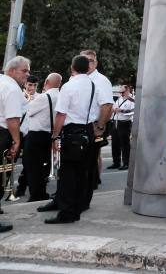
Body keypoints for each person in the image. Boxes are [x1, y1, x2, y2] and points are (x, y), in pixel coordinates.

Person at [46, 55, 112, 224]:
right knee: (82, 173)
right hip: (88, 130)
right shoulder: (93, 85)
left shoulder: (68, 86)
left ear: (72, 67)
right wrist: (98, 128)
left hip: (72, 132)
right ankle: (77, 210)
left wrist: (55, 136)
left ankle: (66, 213)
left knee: (68, 174)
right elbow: (103, 105)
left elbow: (61, 114)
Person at [0, 55, 30, 232]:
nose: (27, 74)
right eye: (24, 71)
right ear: (11, 70)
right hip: (4, 135)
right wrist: (17, 140)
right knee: (2, 174)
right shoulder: (11, 88)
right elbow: (12, 118)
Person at [23, 73, 61, 202]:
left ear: (46, 82)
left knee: (32, 167)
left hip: (36, 135)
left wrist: (28, 98)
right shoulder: (60, 96)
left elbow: (28, 110)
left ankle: (36, 194)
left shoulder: (44, 97)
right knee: (43, 166)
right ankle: (42, 192)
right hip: (49, 135)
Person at [81, 50, 113, 196]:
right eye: (84, 60)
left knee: (92, 158)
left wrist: (100, 126)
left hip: (94, 125)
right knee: (84, 159)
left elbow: (107, 105)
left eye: (91, 61)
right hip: (80, 125)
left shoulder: (101, 80)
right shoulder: (78, 78)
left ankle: (89, 188)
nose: (88, 64)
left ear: (96, 63)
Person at [109, 85, 135, 170]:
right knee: (115, 143)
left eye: (122, 92)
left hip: (124, 122)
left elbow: (133, 111)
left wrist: (122, 110)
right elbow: (114, 107)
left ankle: (126, 163)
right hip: (116, 121)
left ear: (128, 90)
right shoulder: (119, 99)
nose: (121, 94)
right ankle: (116, 162)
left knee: (125, 144)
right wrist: (114, 109)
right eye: (120, 92)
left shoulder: (132, 99)